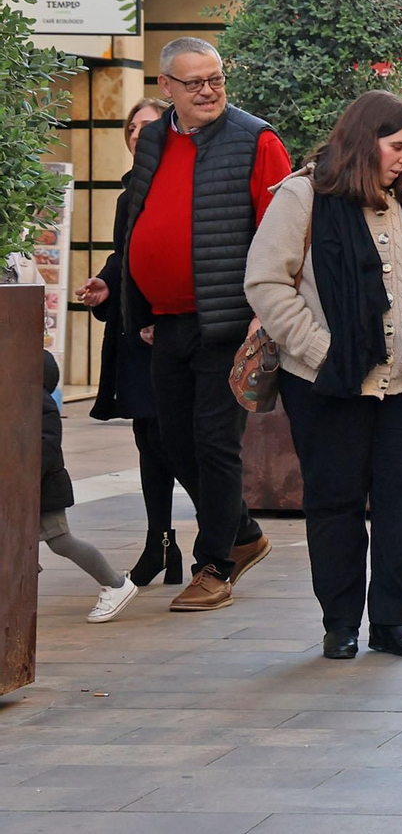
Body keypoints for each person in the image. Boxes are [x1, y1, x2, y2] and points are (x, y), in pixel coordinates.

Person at [245, 91, 402, 659]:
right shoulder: (303, 195)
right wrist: (322, 349)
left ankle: (391, 622)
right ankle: (340, 623)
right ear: (365, 141)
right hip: (327, 382)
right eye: (397, 146)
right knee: (335, 503)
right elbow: (267, 282)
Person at [121, 37, 288, 612]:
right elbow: (140, 218)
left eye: (215, 78)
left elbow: (281, 233)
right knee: (172, 440)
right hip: (167, 320)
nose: (208, 90)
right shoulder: (153, 141)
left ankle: (215, 564)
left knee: (215, 442)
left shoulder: (256, 140)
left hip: (229, 320)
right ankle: (242, 533)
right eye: (193, 82)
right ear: (165, 86)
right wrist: (136, 301)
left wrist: (265, 313)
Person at [76, 98, 197, 587]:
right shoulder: (131, 191)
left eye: (148, 127)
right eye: (131, 128)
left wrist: (156, 312)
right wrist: (107, 283)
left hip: (171, 328)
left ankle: (234, 527)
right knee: (148, 439)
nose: (137, 135)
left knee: (171, 439)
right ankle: (161, 544)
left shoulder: (183, 183)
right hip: (135, 329)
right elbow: (126, 254)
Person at [39, 351, 139, 623]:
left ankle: (116, 584)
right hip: (28, 489)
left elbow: (46, 449)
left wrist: (26, 477)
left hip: (44, 490)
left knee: (61, 541)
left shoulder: (40, 404)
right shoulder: (20, 400)